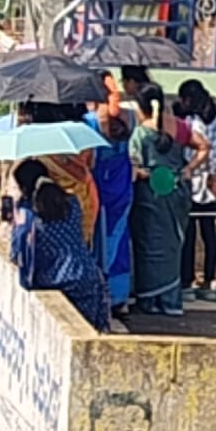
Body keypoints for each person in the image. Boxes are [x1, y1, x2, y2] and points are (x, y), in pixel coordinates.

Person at [128, 83, 209, 316]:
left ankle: (149, 300)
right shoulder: (180, 126)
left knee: (148, 246)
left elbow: (134, 166)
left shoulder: (140, 133)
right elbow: (204, 146)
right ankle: (170, 301)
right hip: (177, 192)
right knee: (173, 247)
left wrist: (147, 174)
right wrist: (188, 169)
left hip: (150, 194)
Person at [7, 159, 110, 331]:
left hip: (54, 281)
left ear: (24, 188)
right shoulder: (72, 202)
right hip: (86, 276)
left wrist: (14, 222)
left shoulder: (28, 215)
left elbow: (17, 253)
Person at [177, 79, 216, 300]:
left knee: (189, 236)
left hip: (193, 183)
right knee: (209, 234)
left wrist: (189, 169)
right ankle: (209, 281)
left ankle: (187, 281)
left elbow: (189, 153)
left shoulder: (191, 124)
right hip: (211, 188)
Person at [85, 76, 135, 311]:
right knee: (119, 240)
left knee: (96, 241)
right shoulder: (129, 118)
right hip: (121, 190)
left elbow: (89, 161)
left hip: (97, 191)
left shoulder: (89, 123)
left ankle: (98, 292)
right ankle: (118, 296)